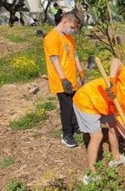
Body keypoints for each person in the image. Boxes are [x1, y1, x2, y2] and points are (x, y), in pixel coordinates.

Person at [72, 58, 125, 184]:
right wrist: (112, 81)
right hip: (86, 100)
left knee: (113, 126)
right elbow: (116, 61)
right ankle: (91, 174)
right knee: (97, 136)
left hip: (104, 107)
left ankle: (116, 158)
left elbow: (122, 126)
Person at [44, 12, 85, 148]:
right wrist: (63, 79)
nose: (73, 30)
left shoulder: (68, 38)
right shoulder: (52, 37)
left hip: (71, 79)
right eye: (72, 27)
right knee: (66, 107)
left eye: (74, 29)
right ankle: (66, 134)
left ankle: (75, 127)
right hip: (61, 81)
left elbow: (75, 55)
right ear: (65, 22)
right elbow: (54, 59)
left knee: (74, 104)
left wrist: (81, 72)